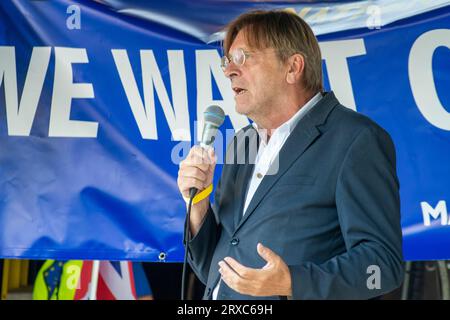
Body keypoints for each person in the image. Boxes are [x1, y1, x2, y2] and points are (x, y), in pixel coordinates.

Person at [177, 10, 404, 300]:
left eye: (244, 57)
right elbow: (214, 267)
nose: (229, 70)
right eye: (227, 61)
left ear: (293, 67)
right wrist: (198, 203)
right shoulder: (242, 143)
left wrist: (292, 283)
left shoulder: (356, 139)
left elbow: (382, 267)